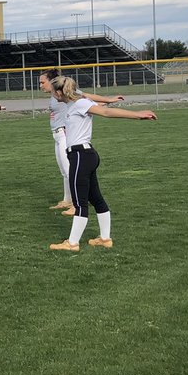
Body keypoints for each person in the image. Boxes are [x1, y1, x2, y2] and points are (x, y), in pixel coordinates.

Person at [47, 75, 157, 252]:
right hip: (83, 155)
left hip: (81, 155)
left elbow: (106, 112)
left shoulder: (81, 104)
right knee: (95, 198)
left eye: (53, 92)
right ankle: (105, 239)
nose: (52, 95)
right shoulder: (72, 105)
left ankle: (72, 243)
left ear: (60, 92)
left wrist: (137, 115)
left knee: (79, 202)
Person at [38, 69, 124, 215]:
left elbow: (86, 96)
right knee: (64, 171)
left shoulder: (64, 91)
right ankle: (67, 200)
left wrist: (108, 100)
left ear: (52, 81)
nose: (40, 85)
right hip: (57, 135)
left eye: (42, 82)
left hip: (66, 135)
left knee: (69, 170)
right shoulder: (54, 95)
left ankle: (75, 205)